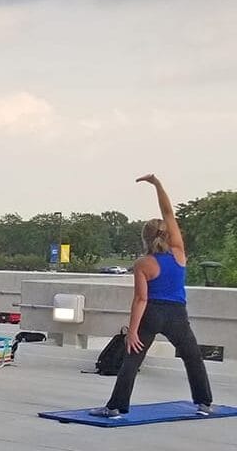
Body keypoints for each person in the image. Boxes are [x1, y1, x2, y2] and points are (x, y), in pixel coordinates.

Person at [90, 174, 214, 418]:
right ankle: (204, 403)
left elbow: (140, 300)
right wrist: (158, 185)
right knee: (192, 357)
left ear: (145, 238)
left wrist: (132, 332)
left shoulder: (143, 263)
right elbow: (169, 213)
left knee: (132, 360)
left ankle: (115, 407)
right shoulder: (179, 253)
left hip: (152, 313)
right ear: (168, 235)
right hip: (177, 314)